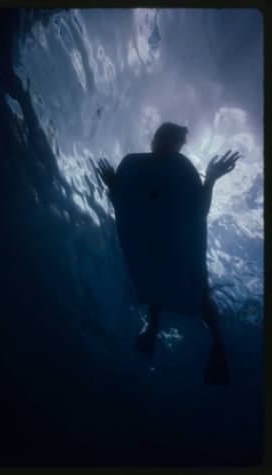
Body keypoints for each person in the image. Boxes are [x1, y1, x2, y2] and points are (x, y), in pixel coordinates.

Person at [97, 123, 240, 386]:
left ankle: (216, 343)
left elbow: (197, 211)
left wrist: (211, 177)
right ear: (156, 139)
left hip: (170, 249)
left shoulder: (142, 168)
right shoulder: (142, 168)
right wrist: (113, 186)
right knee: (169, 274)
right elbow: (130, 208)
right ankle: (154, 328)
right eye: (170, 137)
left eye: (176, 140)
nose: (172, 143)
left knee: (191, 284)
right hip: (162, 248)